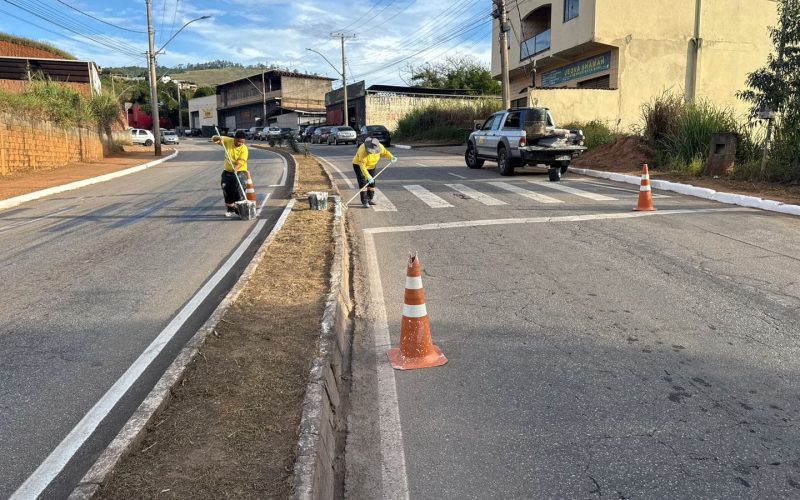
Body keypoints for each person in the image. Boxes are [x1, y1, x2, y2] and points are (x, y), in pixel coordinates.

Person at [212, 130, 249, 217]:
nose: (240, 143)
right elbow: (214, 138)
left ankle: (241, 209)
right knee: (226, 187)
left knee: (238, 189)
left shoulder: (244, 149)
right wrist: (219, 140)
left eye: (242, 142)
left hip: (240, 171)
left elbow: (241, 162)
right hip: (227, 171)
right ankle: (231, 208)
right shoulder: (228, 140)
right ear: (234, 139)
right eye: (238, 141)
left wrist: (236, 168)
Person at [352, 136, 397, 208]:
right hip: (359, 165)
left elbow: (385, 152)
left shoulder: (380, 147)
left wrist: (391, 157)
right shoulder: (362, 151)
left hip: (372, 166)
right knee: (363, 182)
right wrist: (368, 176)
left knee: (372, 182)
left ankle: (370, 198)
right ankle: (364, 201)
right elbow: (362, 166)